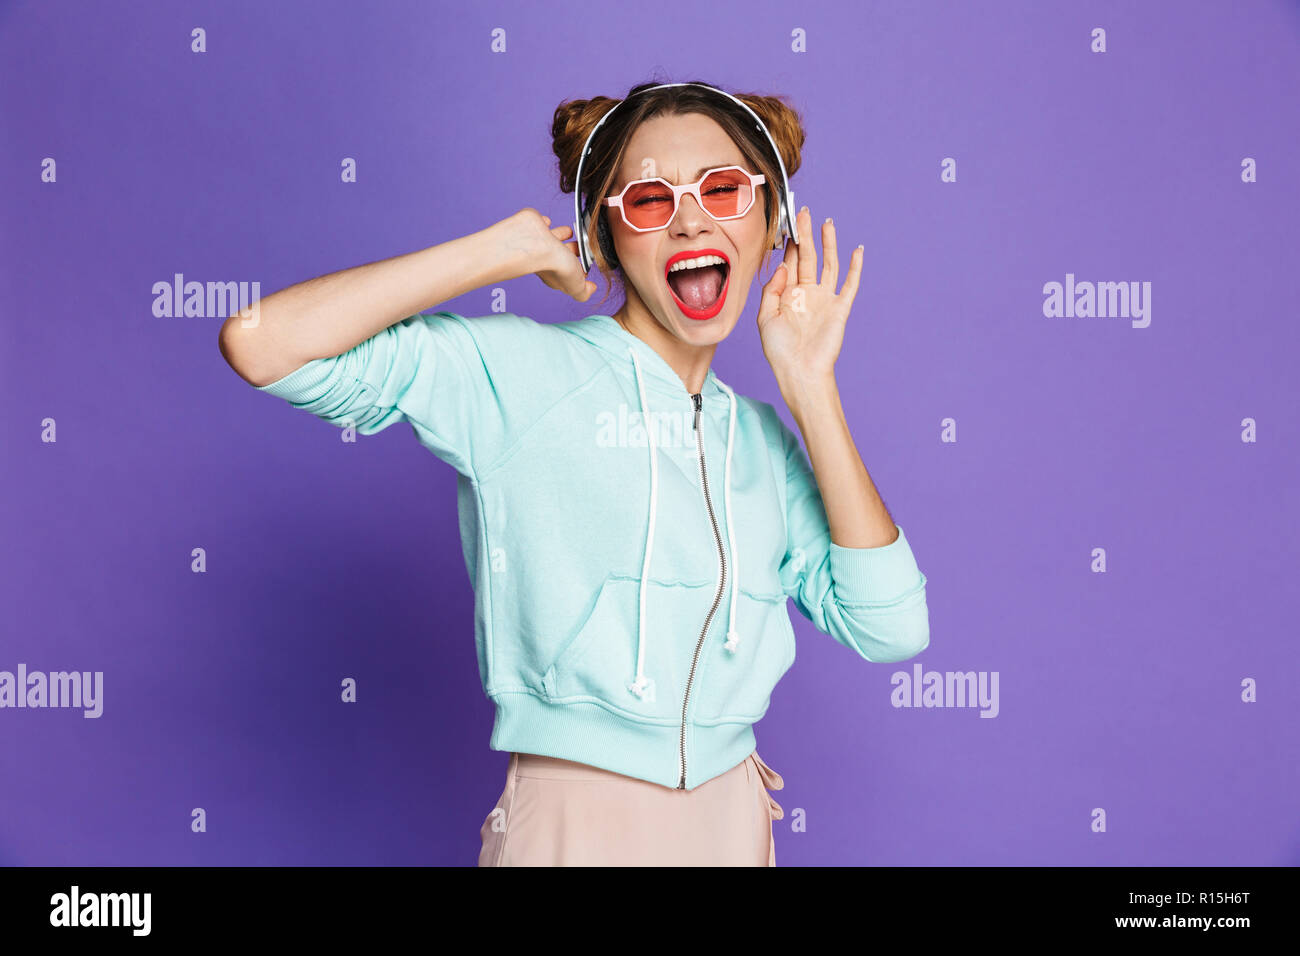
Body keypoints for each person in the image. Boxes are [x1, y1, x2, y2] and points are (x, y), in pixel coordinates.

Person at [218, 79, 931, 867]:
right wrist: (499, 252)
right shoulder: (520, 376)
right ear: (604, 234)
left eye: (724, 190)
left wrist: (811, 388)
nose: (692, 218)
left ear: (773, 226)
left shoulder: (763, 444)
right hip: (573, 826)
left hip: (732, 825)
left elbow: (890, 628)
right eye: (650, 200)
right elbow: (261, 342)